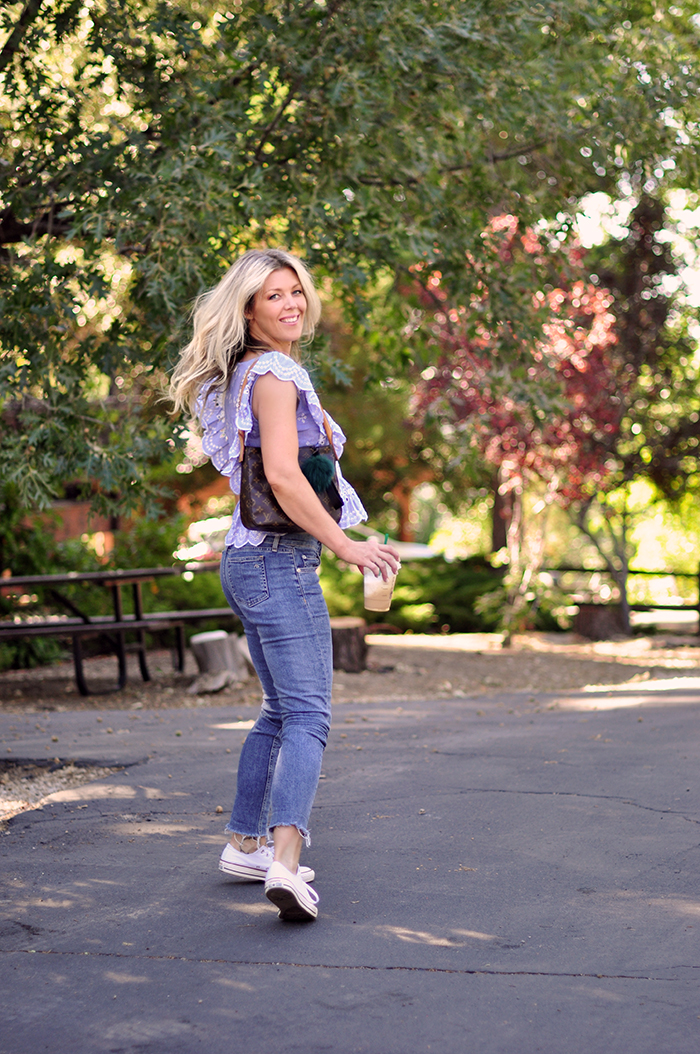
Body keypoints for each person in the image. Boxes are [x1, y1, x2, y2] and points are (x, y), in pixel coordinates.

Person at [170, 249, 400, 921]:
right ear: (249, 310)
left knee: (277, 709)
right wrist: (346, 546)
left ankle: (245, 843)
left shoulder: (245, 372)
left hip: (248, 562)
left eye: (296, 291)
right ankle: (285, 861)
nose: (291, 303)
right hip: (278, 561)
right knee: (308, 717)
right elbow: (285, 476)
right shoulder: (273, 372)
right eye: (274, 295)